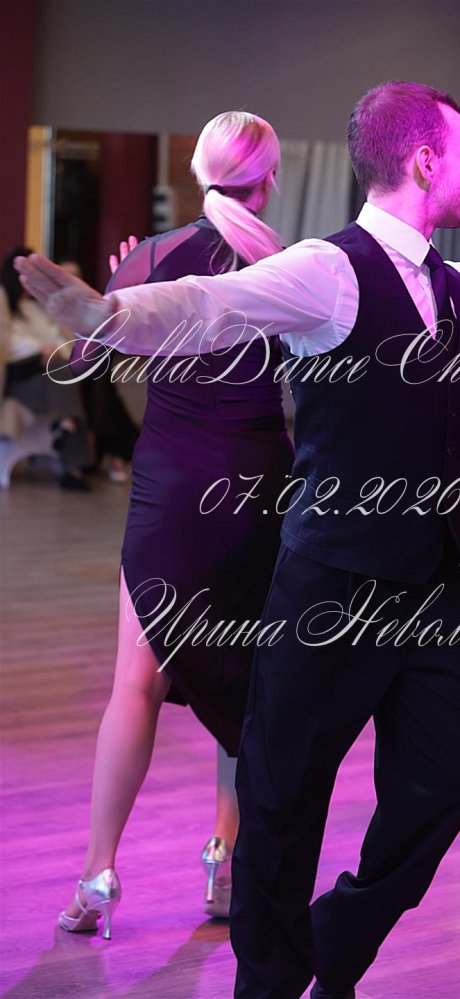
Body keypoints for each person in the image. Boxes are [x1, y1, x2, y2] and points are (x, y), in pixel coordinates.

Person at [16, 81, 460, 997]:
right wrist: (112, 317)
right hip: (330, 581)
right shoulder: (328, 270)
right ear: (424, 163)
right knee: (282, 802)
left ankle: (336, 937)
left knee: (443, 787)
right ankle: (270, 984)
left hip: (432, 589)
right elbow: (215, 303)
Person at [50, 111, 293, 939]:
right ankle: (224, 858)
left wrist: (117, 295)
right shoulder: (289, 266)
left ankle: (98, 871)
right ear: (270, 180)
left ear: (198, 174)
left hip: (175, 485)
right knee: (243, 683)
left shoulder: (153, 257)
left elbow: (85, 358)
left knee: (136, 682)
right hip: (256, 486)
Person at [0, 246, 92, 490]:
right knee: (62, 372)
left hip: (48, 370)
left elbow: (58, 340)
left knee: (67, 369)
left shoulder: (35, 308)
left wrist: (52, 350)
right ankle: (73, 460)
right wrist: (41, 348)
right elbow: (7, 343)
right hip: (21, 374)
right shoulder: (4, 304)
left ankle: (67, 426)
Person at [59, 258, 139, 484]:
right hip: (57, 367)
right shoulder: (50, 306)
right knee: (99, 383)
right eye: (66, 274)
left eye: (76, 275)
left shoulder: (88, 305)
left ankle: (111, 450)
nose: (72, 279)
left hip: (77, 364)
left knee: (98, 379)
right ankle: (119, 451)